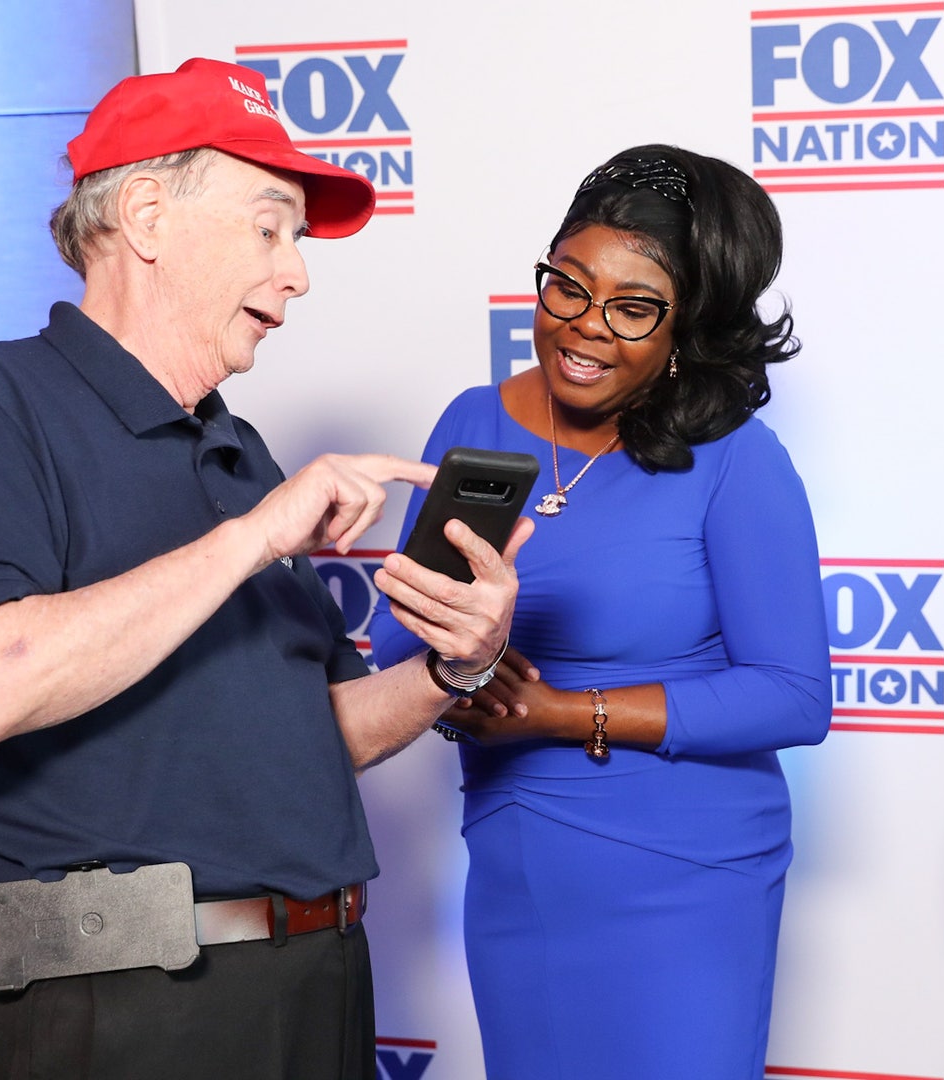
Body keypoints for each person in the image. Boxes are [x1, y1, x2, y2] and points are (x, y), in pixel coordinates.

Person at [0, 58, 530, 1080]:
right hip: (116, 1008)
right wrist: (252, 539)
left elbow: (322, 735)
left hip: (314, 984)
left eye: (298, 240)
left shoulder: (239, 451)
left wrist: (453, 667)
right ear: (147, 216)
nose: (297, 273)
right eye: (270, 228)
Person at [367, 144, 832, 1079]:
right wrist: (461, 671)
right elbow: (393, 645)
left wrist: (557, 713)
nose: (585, 326)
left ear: (685, 326)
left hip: (688, 885)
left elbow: (793, 695)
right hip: (520, 870)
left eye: (633, 307)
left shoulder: (737, 460)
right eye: (569, 287)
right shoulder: (473, 421)